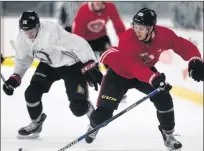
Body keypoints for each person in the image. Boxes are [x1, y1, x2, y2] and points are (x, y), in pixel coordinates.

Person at [86, 7, 204, 151]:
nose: (137, 31)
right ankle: (93, 125)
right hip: (119, 74)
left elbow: (183, 45)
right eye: (135, 26)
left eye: (141, 28)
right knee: (102, 116)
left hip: (145, 72)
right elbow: (134, 67)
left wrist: (195, 59)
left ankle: (168, 135)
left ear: (151, 28)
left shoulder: (164, 35)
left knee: (164, 98)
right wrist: (154, 78)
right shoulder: (127, 38)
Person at [2, 10, 103, 139]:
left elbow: (80, 44)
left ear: (38, 25)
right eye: (25, 30)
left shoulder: (51, 32)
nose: (29, 34)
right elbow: (23, 59)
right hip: (48, 65)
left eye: (32, 30)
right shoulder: (23, 36)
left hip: (71, 65)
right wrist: (15, 77)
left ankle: (92, 117)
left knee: (78, 108)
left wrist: (90, 65)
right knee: (31, 94)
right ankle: (36, 123)